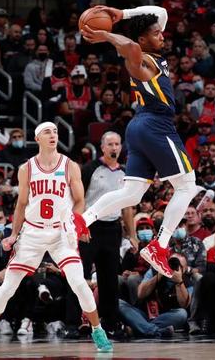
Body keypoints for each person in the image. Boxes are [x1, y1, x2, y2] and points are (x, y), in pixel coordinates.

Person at [79, 4, 204, 279]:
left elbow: (161, 13)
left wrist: (122, 13)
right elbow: (131, 48)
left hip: (139, 126)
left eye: (160, 32)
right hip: (156, 124)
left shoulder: (155, 55)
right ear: (142, 38)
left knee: (133, 194)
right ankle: (160, 244)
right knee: (187, 185)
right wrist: (107, 35)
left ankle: (83, 220)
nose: (162, 35)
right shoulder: (142, 60)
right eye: (156, 34)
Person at [0, 122, 112, 353]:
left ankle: (98, 330)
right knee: (8, 286)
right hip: (33, 232)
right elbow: (21, 204)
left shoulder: (69, 165)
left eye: (55, 131)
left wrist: (75, 223)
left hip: (60, 231)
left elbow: (79, 201)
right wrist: (13, 234)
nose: (53, 135)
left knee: (78, 282)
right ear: (37, 138)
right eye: (47, 131)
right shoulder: (26, 168)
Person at [78, 131, 135, 337]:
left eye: (117, 144)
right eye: (110, 144)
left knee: (110, 278)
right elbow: (78, 199)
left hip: (113, 228)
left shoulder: (125, 172)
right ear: (102, 147)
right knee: (81, 276)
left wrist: (132, 234)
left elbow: (127, 206)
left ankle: (111, 323)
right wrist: (80, 227)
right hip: (90, 227)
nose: (114, 147)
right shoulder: (90, 169)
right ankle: (75, 322)